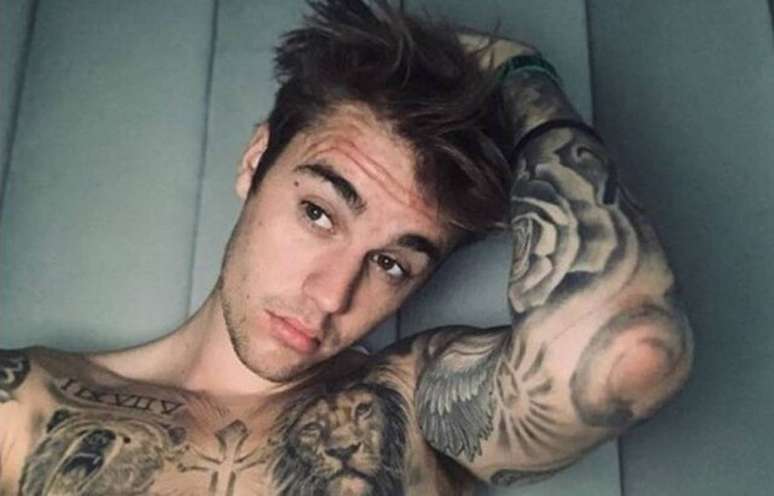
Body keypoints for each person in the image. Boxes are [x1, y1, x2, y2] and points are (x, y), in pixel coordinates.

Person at [0, 0, 693, 494]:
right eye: (319, 214)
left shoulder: (406, 412)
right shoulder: (29, 403)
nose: (331, 294)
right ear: (256, 162)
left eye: (391, 263)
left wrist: (519, 78)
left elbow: (630, 348)